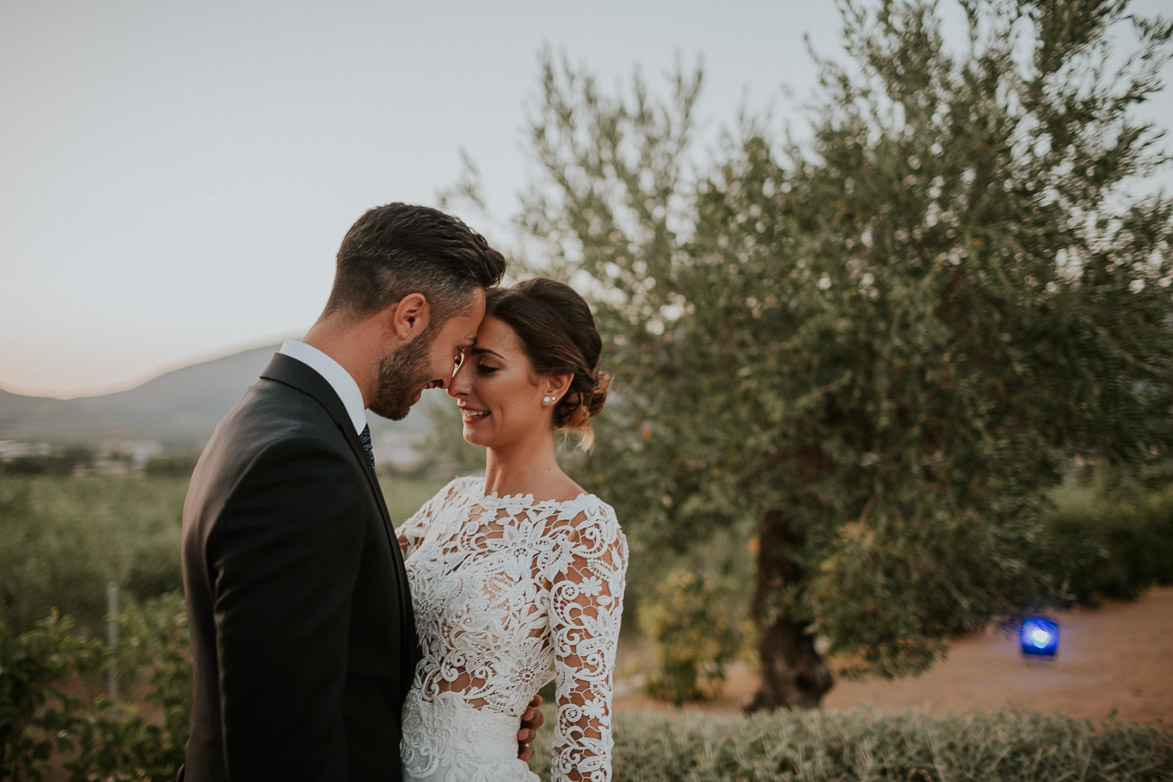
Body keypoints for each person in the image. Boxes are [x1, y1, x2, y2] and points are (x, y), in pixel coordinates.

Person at [180, 203, 535, 781]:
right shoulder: (300, 463)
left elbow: (332, 661)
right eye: (459, 347)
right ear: (411, 316)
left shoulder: (264, 419)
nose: (451, 378)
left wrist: (471, 708)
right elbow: (283, 753)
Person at [397, 277, 628, 782]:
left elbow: (584, 733)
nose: (457, 385)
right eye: (460, 361)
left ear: (554, 383)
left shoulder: (582, 530)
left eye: (487, 367)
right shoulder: (450, 502)